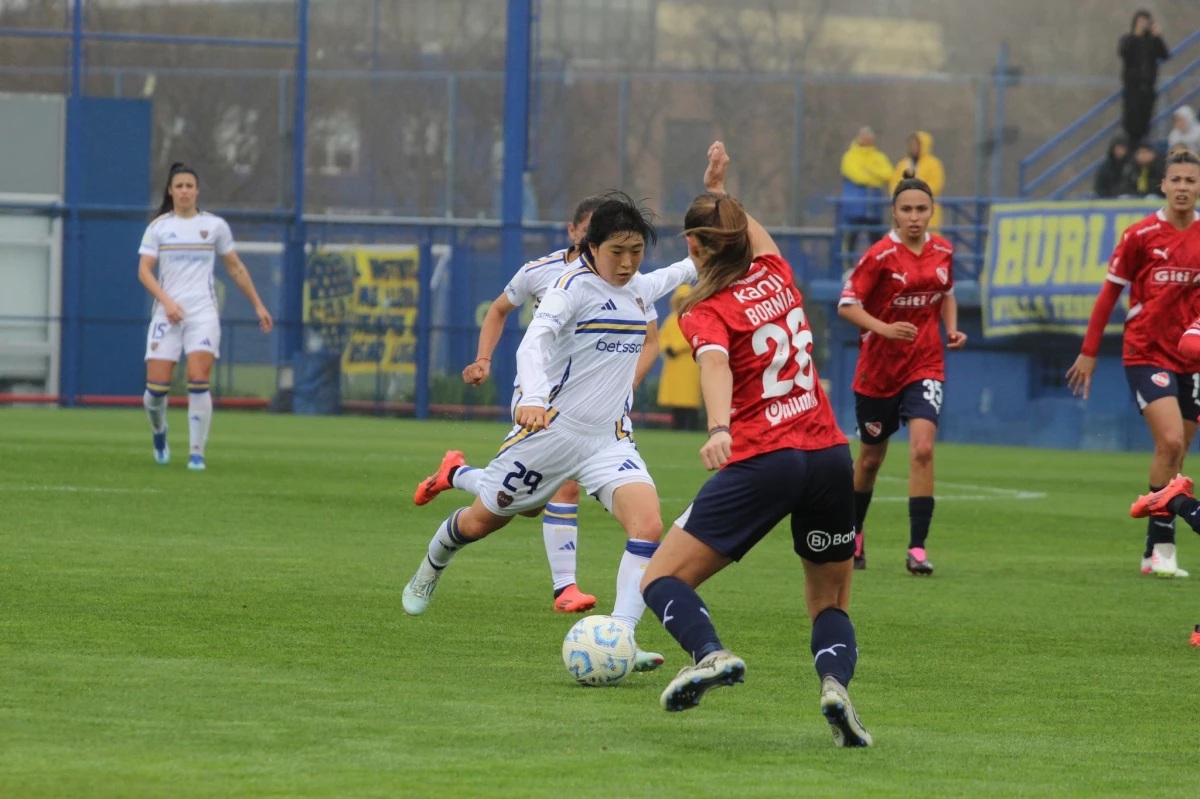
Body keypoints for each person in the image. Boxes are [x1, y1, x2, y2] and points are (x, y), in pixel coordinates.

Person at [401, 191, 698, 675]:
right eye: (616, 252)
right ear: (591, 248)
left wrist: (709, 238)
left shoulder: (641, 287)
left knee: (647, 527)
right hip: (551, 432)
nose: (626, 264)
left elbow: (686, 270)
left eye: (636, 252)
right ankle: (430, 567)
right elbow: (534, 343)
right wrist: (534, 398)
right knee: (484, 521)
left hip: (609, 439)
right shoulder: (569, 288)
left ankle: (619, 636)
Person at [638, 142, 869, 747]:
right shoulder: (776, 271)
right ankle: (836, 688)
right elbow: (741, 229)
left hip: (767, 457)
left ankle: (709, 654)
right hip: (827, 455)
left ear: (693, 248)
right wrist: (718, 190)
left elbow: (714, 365)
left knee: (660, 579)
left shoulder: (703, 307)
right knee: (829, 599)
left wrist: (719, 429)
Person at [1067, 150, 1200, 579]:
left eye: (1191, 180)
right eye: (1176, 179)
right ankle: (1163, 546)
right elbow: (1109, 295)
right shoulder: (1140, 235)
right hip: (1146, 352)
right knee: (1170, 441)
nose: (1183, 187)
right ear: (1162, 184)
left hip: (1192, 354)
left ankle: (1151, 550)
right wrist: (1089, 351)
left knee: (1180, 448)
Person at [837, 172, 966, 574]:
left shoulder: (943, 251)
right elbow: (847, 305)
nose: (914, 216)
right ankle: (854, 534)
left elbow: (945, 294)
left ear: (932, 212)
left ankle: (917, 548)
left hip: (925, 363)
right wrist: (884, 328)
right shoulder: (878, 257)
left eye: (921, 209)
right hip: (878, 372)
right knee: (871, 459)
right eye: (907, 209)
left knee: (923, 449)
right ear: (894, 213)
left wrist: (950, 329)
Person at [138, 162, 273, 470]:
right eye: (179, 186)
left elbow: (235, 268)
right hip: (166, 314)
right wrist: (167, 303)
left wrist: (258, 305)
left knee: (198, 380)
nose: (185, 191)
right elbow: (144, 271)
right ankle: (159, 431)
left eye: (190, 186)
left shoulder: (214, 226)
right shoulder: (158, 227)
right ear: (170, 191)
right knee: (155, 391)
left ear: (197, 191)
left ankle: (196, 453)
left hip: (202, 313)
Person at [839, 126, 893, 256]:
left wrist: (869, 172)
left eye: (869, 139)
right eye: (864, 138)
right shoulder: (849, 156)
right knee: (850, 241)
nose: (867, 141)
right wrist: (875, 177)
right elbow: (858, 177)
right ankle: (848, 271)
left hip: (874, 208)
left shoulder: (879, 157)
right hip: (855, 207)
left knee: (877, 242)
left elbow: (889, 174)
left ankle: (878, 271)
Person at [1119, 10, 1169, 147]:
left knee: (1144, 125)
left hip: (1148, 89)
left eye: (1145, 22)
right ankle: (1132, 150)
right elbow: (1124, 52)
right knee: (1131, 126)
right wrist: (1136, 34)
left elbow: (1164, 55)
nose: (1142, 25)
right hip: (1132, 90)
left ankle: (1142, 149)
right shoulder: (1127, 39)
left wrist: (1157, 35)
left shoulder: (1152, 41)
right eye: (1140, 22)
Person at [656, 284, 702, 431]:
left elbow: (694, 337)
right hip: (674, 364)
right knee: (676, 399)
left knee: (689, 399)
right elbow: (661, 336)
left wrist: (675, 347)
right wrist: (666, 347)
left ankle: (689, 427)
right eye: (681, 300)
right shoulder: (671, 319)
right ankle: (677, 426)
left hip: (689, 363)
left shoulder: (695, 318)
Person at [889, 132, 946, 232]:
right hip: (905, 208)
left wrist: (917, 194)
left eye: (916, 145)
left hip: (926, 208)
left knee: (928, 238)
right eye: (911, 145)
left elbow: (936, 184)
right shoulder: (903, 164)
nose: (913, 148)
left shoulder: (933, 164)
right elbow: (894, 183)